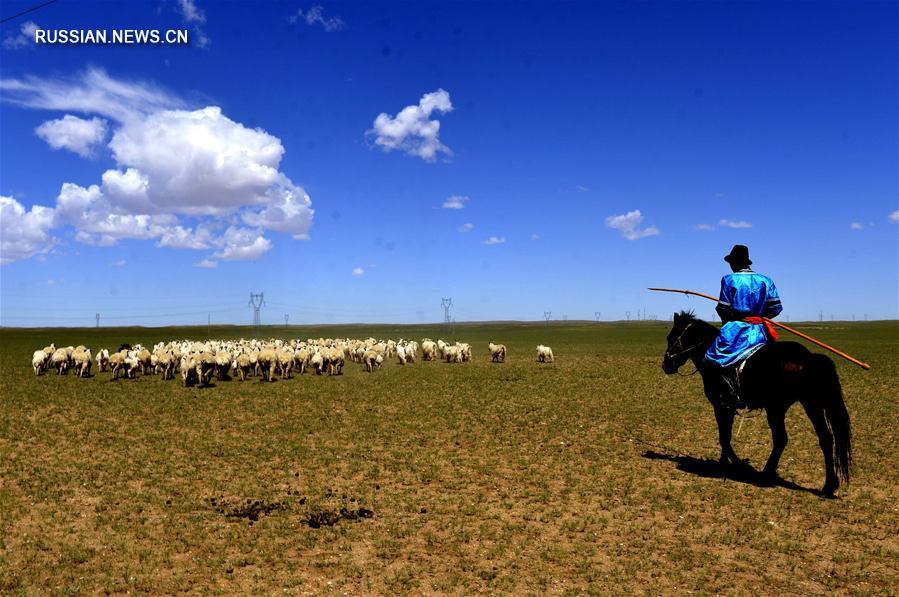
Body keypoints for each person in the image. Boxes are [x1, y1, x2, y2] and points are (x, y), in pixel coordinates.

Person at [705, 244, 782, 409]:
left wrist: (731, 318)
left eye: (731, 262)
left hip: (737, 330)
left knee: (713, 357)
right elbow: (776, 308)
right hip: (761, 331)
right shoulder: (766, 280)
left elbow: (723, 308)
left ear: (734, 262)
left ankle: (730, 393)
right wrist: (760, 317)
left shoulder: (729, 279)